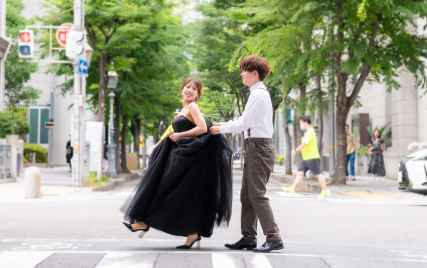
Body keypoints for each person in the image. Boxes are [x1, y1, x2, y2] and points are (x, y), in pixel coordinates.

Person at [122, 77, 232, 249]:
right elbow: (172, 131)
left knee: (166, 189)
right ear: (181, 90)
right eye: (187, 87)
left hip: (189, 157)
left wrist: (180, 136)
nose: (189, 90)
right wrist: (159, 145)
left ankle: (145, 222)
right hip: (182, 154)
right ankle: (192, 233)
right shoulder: (182, 110)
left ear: (197, 95)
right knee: (181, 194)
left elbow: (202, 128)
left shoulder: (193, 107)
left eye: (194, 89)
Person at [211, 55, 283, 254]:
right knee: (246, 195)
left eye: (244, 70)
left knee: (256, 195)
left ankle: (274, 237)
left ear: (255, 73)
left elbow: (244, 123)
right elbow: (244, 121)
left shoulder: (259, 94)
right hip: (254, 146)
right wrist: (221, 125)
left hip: (259, 147)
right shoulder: (256, 93)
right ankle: (249, 238)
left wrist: (220, 128)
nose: (241, 74)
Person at [283, 116, 331, 198]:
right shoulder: (307, 132)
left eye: (301, 122)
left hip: (311, 157)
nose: (300, 124)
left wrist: (296, 150)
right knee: (300, 173)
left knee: (318, 174)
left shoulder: (310, 131)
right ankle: (292, 189)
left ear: (305, 122)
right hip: (306, 158)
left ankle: (325, 191)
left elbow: (305, 143)